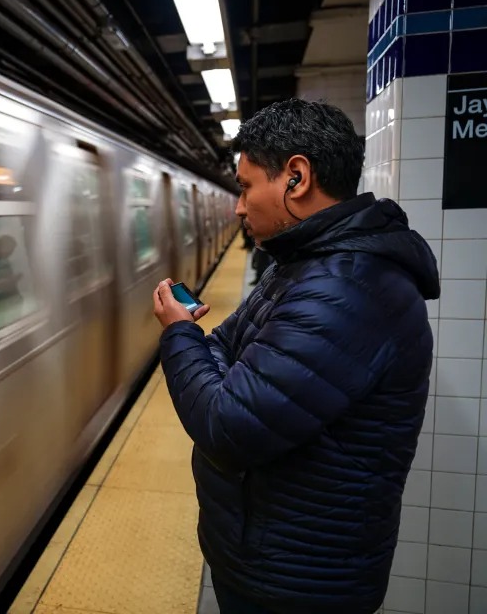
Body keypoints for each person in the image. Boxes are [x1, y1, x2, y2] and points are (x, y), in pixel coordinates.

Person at [151, 99, 439, 614]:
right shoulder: (304, 268)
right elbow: (223, 347)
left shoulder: (345, 289)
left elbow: (226, 424)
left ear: (296, 177)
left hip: (297, 582)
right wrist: (209, 355)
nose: (238, 207)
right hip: (271, 556)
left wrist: (178, 333)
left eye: (244, 187)